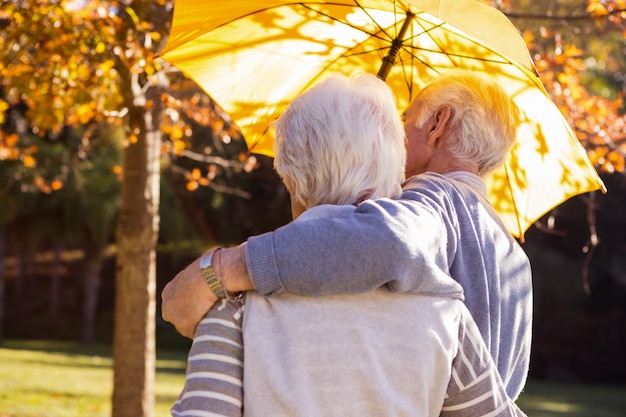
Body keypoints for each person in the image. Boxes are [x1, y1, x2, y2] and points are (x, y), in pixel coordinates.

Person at [162, 69, 532, 401]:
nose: (397, 137)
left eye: (405, 120)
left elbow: (389, 242)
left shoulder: (431, 203)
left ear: (438, 123)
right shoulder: (515, 259)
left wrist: (231, 267)